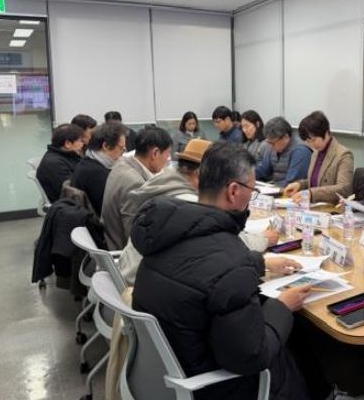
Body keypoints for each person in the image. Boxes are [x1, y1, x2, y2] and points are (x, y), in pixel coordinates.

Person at [131, 142, 313, 400]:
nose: (252, 197)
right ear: (234, 191)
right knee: (300, 346)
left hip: (167, 371)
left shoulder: (167, 231)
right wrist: (282, 307)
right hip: (214, 387)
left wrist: (258, 263)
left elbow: (200, 270)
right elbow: (251, 356)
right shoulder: (230, 259)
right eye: (252, 189)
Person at [118, 138, 277, 285]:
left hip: (133, 279)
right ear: (200, 174)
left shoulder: (162, 184)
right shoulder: (188, 204)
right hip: (143, 287)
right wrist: (264, 239)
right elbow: (231, 244)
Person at [101, 126, 173, 250]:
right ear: (155, 153)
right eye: (167, 154)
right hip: (122, 250)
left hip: (110, 238)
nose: (168, 159)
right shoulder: (136, 184)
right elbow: (135, 237)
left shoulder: (121, 165)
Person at [283, 111, 354, 205]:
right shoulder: (316, 152)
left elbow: (343, 188)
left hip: (331, 208)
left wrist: (312, 194)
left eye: (314, 140)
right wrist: (299, 185)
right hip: (313, 206)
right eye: (308, 141)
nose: (311, 144)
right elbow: (316, 181)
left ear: (326, 133)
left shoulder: (343, 155)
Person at [72, 122, 127, 216]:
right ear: (106, 146)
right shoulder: (96, 174)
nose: (123, 152)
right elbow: (112, 210)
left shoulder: (86, 162)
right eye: (121, 148)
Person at [256, 117, 312, 188]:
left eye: (273, 143)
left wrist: (272, 189)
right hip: (275, 188)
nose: (270, 146)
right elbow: (264, 170)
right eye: (268, 142)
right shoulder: (271, 146)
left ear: (286, 137)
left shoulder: (301, 151)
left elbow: (292, 183)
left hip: (290, 191)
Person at [36, 124, 84, 203]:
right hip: (68, 204)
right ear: (68, 143)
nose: (83, 144)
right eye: (80, 141)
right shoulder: (54, 163)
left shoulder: (66, 155)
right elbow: (72, 190)